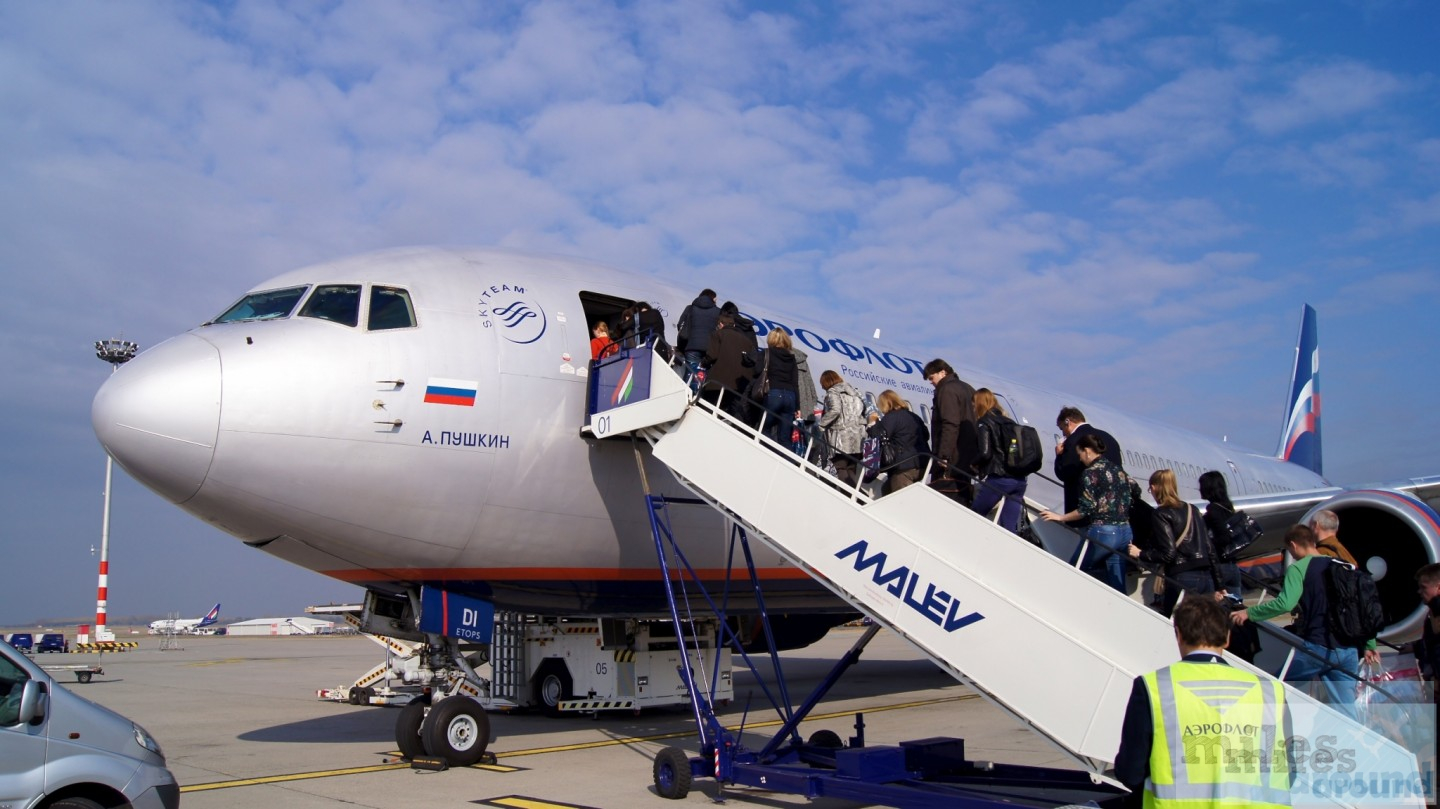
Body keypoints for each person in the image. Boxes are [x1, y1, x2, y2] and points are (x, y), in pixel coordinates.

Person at [1114, 597, 1291, 809]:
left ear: (1178, 635)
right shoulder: (1270, 691)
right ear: (1227, 638)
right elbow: (1289, 770)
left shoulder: (1153, 687)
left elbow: (1131, 772)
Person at [1231, 524, 1378, 720]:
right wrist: (1370, 644)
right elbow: (1362, 608)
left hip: (1318, 649)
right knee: (1347, 714)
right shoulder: (1343, 565)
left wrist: (1250, 612)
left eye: (1290, 550)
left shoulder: (1299, 569)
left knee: (1272, 685)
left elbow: (1285, 603)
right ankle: (1356, 748)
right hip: (1349, 650)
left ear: (1293, 545)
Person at [1040, 433, 1133, 593]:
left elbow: (1086, 508)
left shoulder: (1090, 474)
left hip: (1104, 531)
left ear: (1088, 451)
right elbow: (1134, 490)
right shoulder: (1118, 471)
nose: (1080, 459)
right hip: (1125, 532)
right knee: (1118, 585)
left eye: (1080, 454)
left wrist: (1060, 517)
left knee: (1073, 570)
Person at [1128, 469, 1216, 617]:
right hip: (1206, 577)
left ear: (1155, 488)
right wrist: (1219, 585)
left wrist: (1140, 553)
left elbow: (1168, 554)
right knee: (1203, 628)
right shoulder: (1192, 509)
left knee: (1176, 626)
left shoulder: (1161, 513)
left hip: (1182, 577)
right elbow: (1210, 549)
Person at [970, 388, 1028, 534]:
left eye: (973, 404)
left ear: (979, 404)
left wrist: (971, 464)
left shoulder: (984, 423)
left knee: (974, 514)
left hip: (1000, 479)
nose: (972, 408)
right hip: (1019, 480)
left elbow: (984, 453)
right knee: (1008, 526)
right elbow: (1014, 450)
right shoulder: (1009, 422)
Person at [922, 358, 978, 505]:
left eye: (932, 378)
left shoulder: (947, 389)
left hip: (952, 458)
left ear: (942, 372)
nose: (931, 382)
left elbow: (951, 423)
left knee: (945, 500)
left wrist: (944, 455)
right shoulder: (968, 388)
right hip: (967, 458)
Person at [1054, 406, 1123, 521]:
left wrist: (1059, 455)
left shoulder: (1073, 441)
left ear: (1068, 422)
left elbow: (1065, 473)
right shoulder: (1109, 438)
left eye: (1062, 428)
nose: (1063, 434)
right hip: (1115, 512)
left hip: (1088, 514)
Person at [866, 390, 930, 494]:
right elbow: (926, 435)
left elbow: (877, 435)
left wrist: (872, 422)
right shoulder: (914, 416)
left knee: (898, 496)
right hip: (922, 464)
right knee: (886, 489)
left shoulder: (892, 417)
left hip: (903, 466)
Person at [701, 314, 756, 420]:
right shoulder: (747, 341)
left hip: (717, 381)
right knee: (727, 414)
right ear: (734, 325)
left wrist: (703, 363)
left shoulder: (719, 334)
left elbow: (712, 356)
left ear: (721, 324)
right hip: (737, 386)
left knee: (708, 409)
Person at [1199, 470, 1244, 597]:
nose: (1199, 489)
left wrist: (1206, 544)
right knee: (1235, 607)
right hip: (1232, 566)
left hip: (1220, 567)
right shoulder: (1228, 508)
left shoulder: (1213, 509)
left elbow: (1224, 538)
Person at [817, 371, 865, 486]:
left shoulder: (832, 393)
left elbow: (835, 410)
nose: (822, 386)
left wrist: (822, 424)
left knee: (840, 466)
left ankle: (851, 496)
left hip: (841, 438)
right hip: (858, 437)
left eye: (822, 383)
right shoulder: (854, 392)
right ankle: (855, 495)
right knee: (851, 468)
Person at [756, 330, 800, 449]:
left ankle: (769, 453)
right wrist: (797, 407)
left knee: (764, 429)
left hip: (774, 393)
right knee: (785, 438)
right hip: (790, 396)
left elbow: (756, 371)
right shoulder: (792, 358)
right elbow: (795, 383)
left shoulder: (767, 353)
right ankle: (788, 462)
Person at [676, 289, 720, 385]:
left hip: (692, 347)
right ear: (713, 298)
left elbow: (680, 325)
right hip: (708, 350)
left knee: (689, 373)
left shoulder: (690, 308)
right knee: (702, 376)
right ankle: (697, 394)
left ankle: (687, 394)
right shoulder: (717, 311)